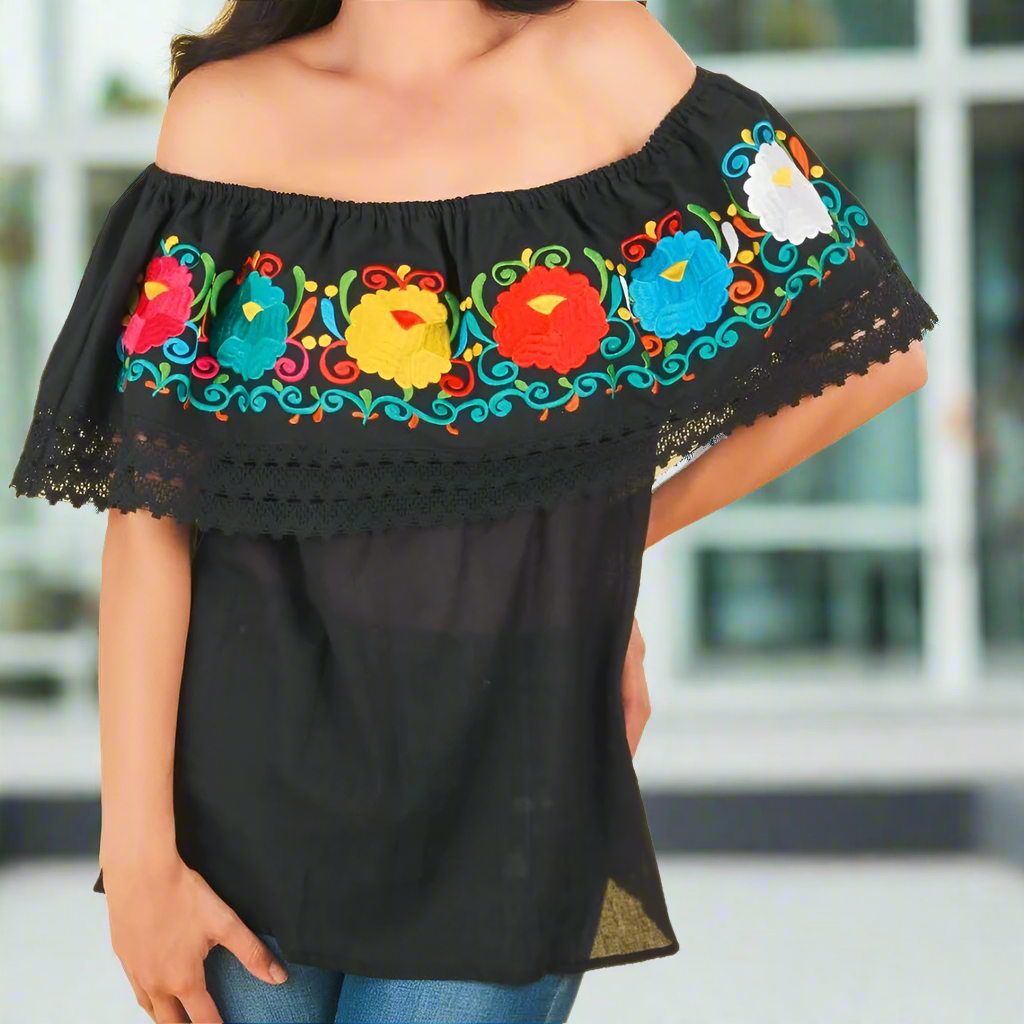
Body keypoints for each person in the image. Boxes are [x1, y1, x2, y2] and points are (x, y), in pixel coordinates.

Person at [9, 1, 937, 1022]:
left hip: (506, 779)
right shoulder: (222, 112)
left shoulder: (606, 54)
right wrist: (138, 856)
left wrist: (604, 550)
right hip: (237, 796)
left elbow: (874, 359)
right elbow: (150, 520)